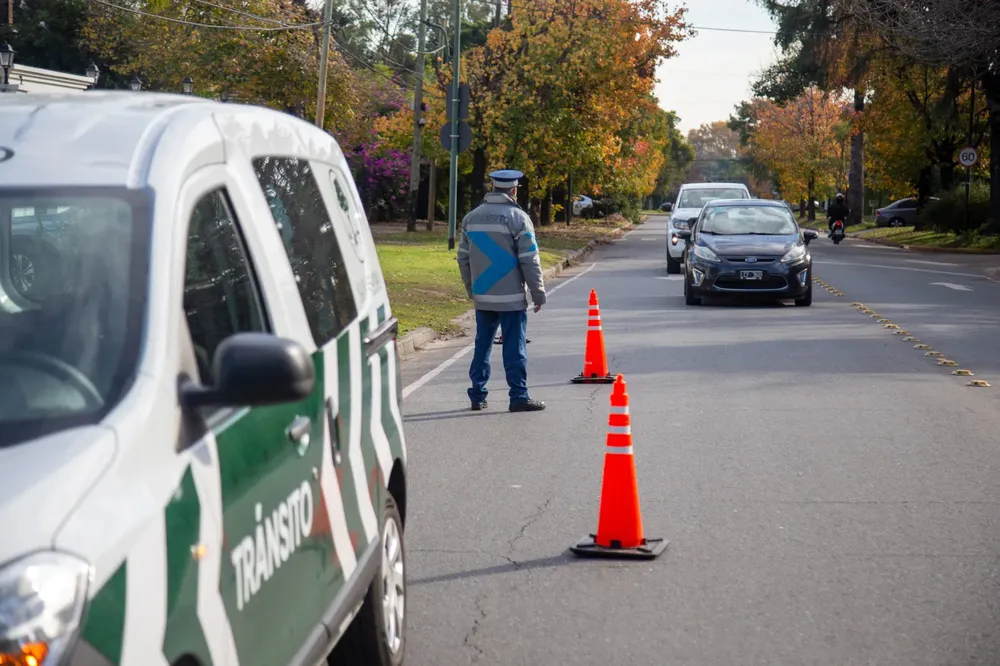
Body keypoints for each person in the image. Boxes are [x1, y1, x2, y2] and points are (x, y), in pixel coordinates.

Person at [457, 169, 547, 413]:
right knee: (514, 346)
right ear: (514, 189)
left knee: (482, 344)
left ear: (493, 187)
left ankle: (477, 394)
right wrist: (538, 294)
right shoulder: (519, 219)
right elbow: (530, 260)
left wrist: (471, 289)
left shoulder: (471, 218)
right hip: (512, 299)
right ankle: (518, 395)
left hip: (483, 295)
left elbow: (463, 258)